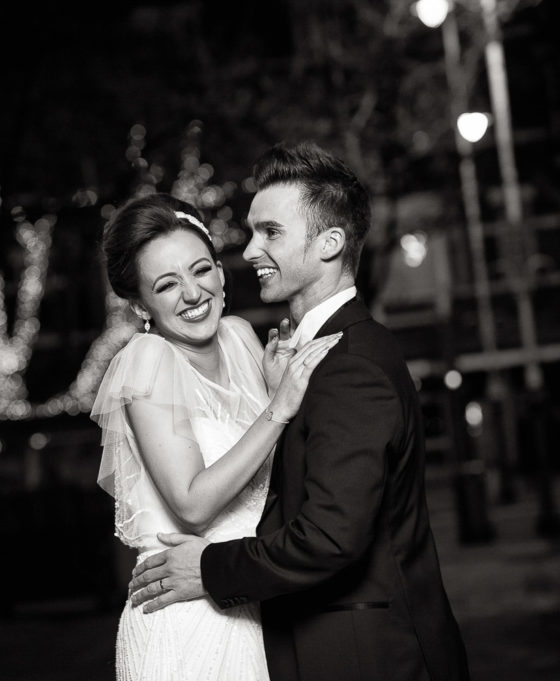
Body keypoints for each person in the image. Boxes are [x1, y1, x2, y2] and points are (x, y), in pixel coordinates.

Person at [128, 142, 470, 681]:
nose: (250, 250)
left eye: (271, 232)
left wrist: (210, 568)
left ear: (330, 243)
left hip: (366, 657)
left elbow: (331, 537)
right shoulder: (311, 359)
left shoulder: (351, 364)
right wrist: (274, 400)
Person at [92, 192, 342, 680]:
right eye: (166, 284)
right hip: (186, 619)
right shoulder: (148, 360)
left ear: (221, 273)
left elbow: (277, 475)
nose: (192, 293)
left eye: (200, 270)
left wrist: (272, 390)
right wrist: (279, 406)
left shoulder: (241, 337)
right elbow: (191, 504)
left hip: (251, 604)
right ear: (140, 303)